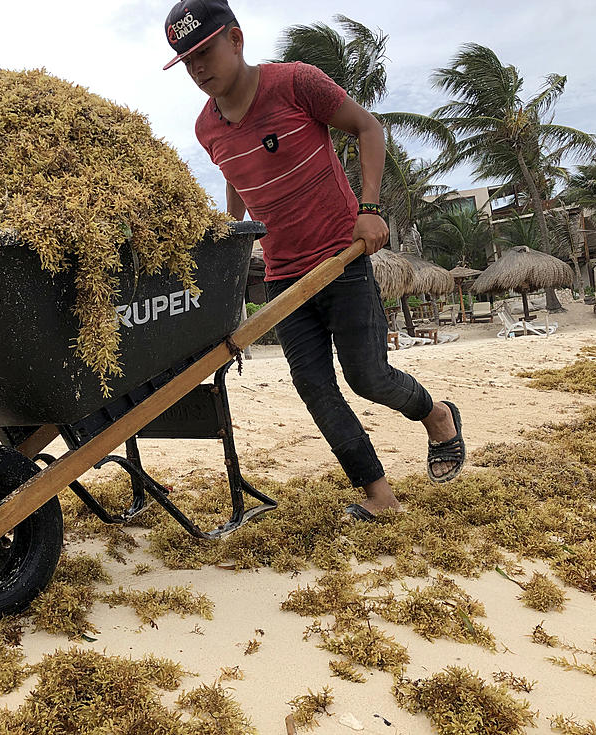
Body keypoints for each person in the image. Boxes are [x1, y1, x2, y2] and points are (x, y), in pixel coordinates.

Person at [162, 0, 465, 521]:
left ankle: (437, 416)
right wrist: (239, 238)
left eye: (205, 52)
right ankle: (379, 495)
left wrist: (368, 209)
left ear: (235, 39)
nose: (199, 69)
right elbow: (236, 174)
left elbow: (369, 128)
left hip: (339, 259)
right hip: (283, 277)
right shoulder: (205, 128)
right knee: (314, 387)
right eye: (187, 61)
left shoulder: (297, 83)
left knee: (367, 375)